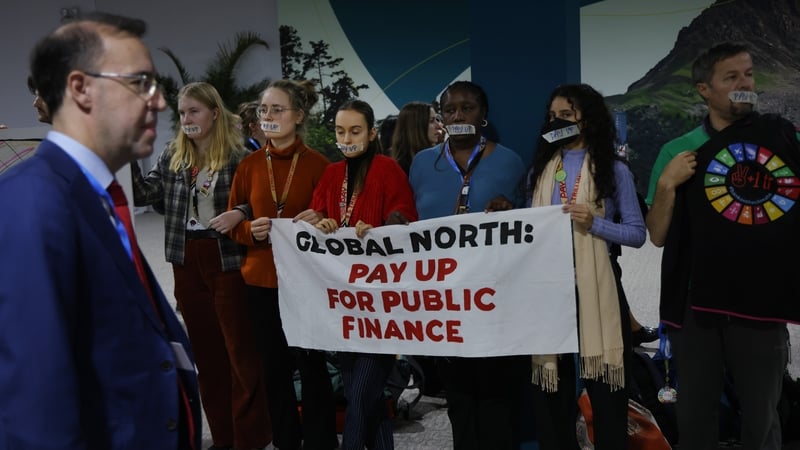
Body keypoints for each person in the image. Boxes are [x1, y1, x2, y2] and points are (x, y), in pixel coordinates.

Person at [0, 11, 201, 449]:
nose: (160, 102)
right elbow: (34, 408)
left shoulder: (94, 196)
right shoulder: (32, 204)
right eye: (140, 83)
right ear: (80, 88)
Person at [646, 41, 797, 450]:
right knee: (695, 415)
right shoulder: (676, 151)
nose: (744, 85)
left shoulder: (782, 138)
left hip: (762, 301)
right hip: (697, 307)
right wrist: (666, 184)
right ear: (704, 90)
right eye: (731, 78)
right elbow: (657, 234)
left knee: (763, 416)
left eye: (748, 74)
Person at [131, 81, 271, 450]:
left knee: (240, 354)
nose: (187, 119)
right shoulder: (172, 155)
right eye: (181, 113)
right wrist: (126, 154)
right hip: (185, 259)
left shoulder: (240, 154)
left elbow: (263, 204)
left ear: (213, 112)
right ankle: (223, 438)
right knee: (207, 356)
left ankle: (250, 439)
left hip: (226, 256)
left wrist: (238, 212)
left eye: (194, 111)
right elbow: (146, 195)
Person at [408, 80, 528, 450]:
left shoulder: (509, 161)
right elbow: (413, 221)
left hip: (494, 294)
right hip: (444, 298)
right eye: (450, 110)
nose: (458, 115)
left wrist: (513, 211)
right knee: (458, 396)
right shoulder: (422, 163)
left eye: (468, 108)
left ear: (484, 116)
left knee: (495, 392)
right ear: (442, 117)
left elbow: (532, 226)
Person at [527, 83, 645, 450]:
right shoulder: (541, 170)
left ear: (588, 119)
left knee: (608, 395)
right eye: (553, 116)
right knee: (552, 398)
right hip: (550, 294)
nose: (558, 122)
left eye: (567, 115)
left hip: (599, 291)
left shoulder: (614, 170)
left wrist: (595, 223)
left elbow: (637, 234)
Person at [295, 99, 417, 450]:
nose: (346, 137)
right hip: (343, 302)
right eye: (339, 131)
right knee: (366, 396)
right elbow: (316, 219)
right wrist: (321, 223)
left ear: (372, 133)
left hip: (379, 301)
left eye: (355, 130)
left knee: (361, 395)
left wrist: (378, 229)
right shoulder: (331, 174)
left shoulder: (388, 169)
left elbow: (405, 221)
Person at [228, 79, 338, 450]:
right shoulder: (248, 166)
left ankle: (322, 442)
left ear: (299, 116)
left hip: (306, 283)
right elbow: (233, 223)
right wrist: (249, 231)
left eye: (278, 109)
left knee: (312, 368)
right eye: (264, 110)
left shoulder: (320, 165)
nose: (269, 116)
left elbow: (334, 224)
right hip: (260, 282)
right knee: (274, 371)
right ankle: (287, 442)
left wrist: (321, 218)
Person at [390, 101, 443, 174]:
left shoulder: (440, 157)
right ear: (415, 127)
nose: (439, 126)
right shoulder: (401, 171)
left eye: (437, 120)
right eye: (431, 121)